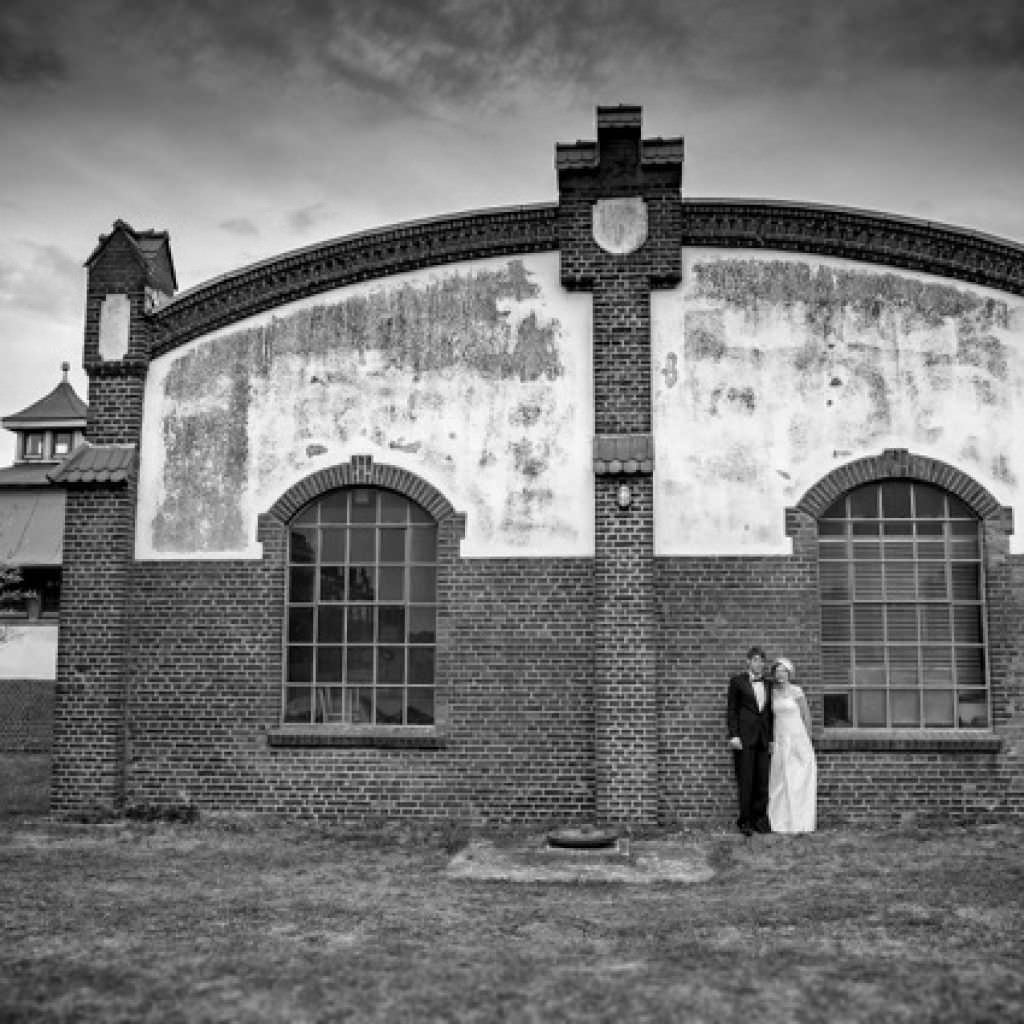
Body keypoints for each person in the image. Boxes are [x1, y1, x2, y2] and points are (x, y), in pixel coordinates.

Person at [727, 645, 774, 835]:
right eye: (755, 660)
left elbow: (770, 714)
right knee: (746, 780)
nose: (759, 664)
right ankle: (744, 821)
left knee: (762, 781)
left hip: (763, 739)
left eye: (762, 661)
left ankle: (759, 820)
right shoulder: (737, 682)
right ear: (748, 662)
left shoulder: (769, 684)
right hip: (744, 739)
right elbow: (732, 710)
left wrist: (771, 739)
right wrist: (734, 735)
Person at [767, 657, 817, 833]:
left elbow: (806, 716)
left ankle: (800, 821)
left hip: (798, 738)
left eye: (784, 671)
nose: (780, 674)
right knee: (781, 780)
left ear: (789, 673)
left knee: (798, 779)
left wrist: (808, 739)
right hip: (780, 739)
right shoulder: (771, 692)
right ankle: (782, 821)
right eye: (777, 671)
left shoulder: (797, 691)